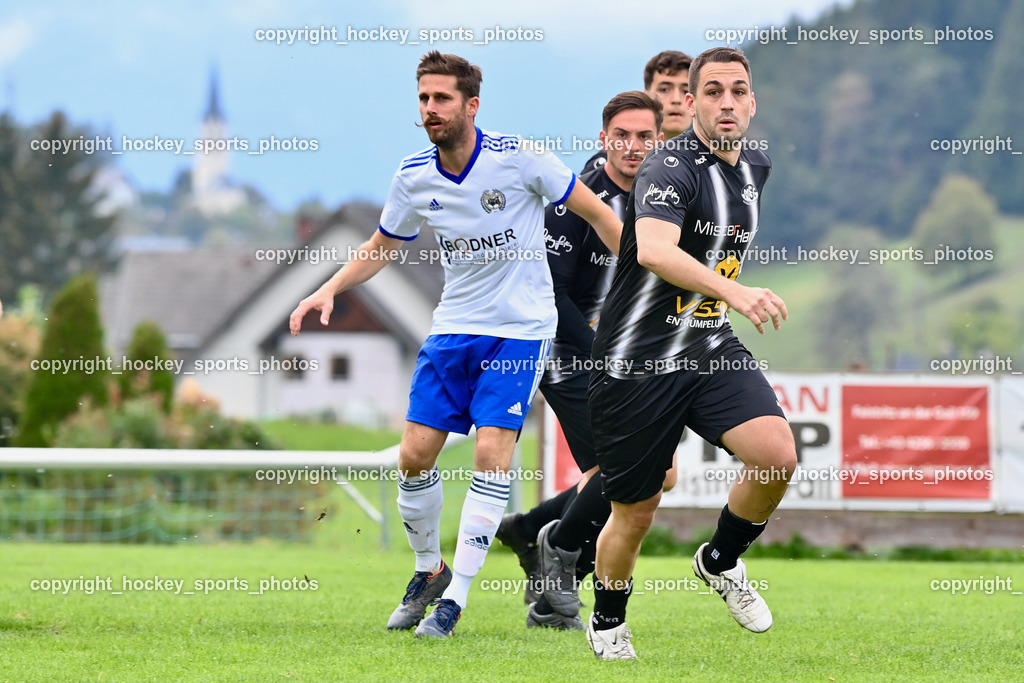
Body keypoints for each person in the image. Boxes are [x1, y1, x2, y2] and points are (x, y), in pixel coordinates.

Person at [289, 51, 621, 639]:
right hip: (453, 329)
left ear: (471, 105)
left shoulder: (519, 157)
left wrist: (647, 273)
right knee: (415, 455)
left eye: (441, 99)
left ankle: (457, 601)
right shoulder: (414, 175)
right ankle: (429, 571)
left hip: (522, 330)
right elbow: (380, 246)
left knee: (492, 453)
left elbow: (598, 213)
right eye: (423, 99)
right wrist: (328, 290)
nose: (430, 110)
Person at [584, 47, 798, 660]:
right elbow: (652, 249)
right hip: (636, 362)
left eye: (738, 91)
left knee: (776, 455)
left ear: (753, 102)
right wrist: (737, 291)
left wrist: (725, 300)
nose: (726, 103)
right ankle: (608, 623)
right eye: (712, 92)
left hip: (707, 345)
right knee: (636, 512)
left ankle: (720, 560)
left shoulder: (756, 165)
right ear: (691, 102)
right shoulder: (669, 167)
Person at [497, 51, 690, 614]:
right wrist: (602, 349)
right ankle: (557, 554)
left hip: (627, 352)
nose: (634, 146)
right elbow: (554, 295)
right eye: (623, 136)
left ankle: (540, 534)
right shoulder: (578, 200)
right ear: (605, 137)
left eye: (644, 136)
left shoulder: (665, 193)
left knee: (654, 473)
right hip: (567, 350)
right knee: (630, 471)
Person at [580, 50, 693, 175]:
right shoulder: (607, 165)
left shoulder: (710, 161)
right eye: (665, 89)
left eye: (685, 91)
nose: (676, 100)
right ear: (647, 96)